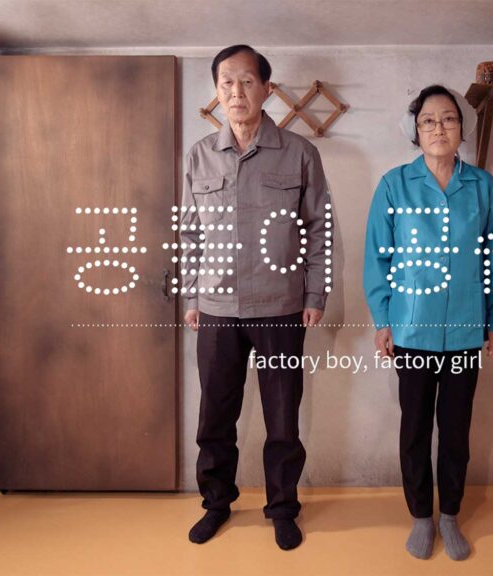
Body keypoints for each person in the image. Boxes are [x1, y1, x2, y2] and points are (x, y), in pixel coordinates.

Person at [181, 44, 331, 551]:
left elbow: (318, 229)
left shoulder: (300, 153)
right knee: (215, 415)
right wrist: (192, 296)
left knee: (282, 415)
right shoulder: (200, 155)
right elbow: (190, 234)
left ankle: (283, 508)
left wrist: (315, 292)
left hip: (281, 306)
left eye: (246, 81)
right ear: (217, 91)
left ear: (267, 89)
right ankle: (216, 503)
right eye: (226, 82)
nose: (236, 91)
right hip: (216, 308)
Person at [363, 84, 493, 560]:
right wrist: (382, 319)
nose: (438, 128)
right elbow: (377, 257)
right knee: (414, 428)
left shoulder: (482, 186)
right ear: (415, 130)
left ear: (462, 128)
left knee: (455, 428)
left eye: (448, 118)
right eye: (428, 120)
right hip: (411, 329)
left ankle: (449, 514)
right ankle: (420, 517)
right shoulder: (394, 185)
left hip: (467, 330)